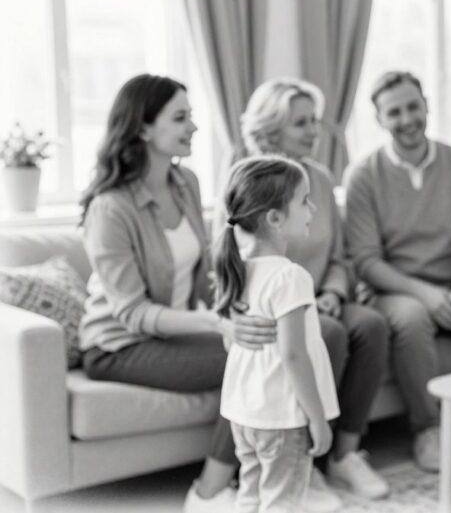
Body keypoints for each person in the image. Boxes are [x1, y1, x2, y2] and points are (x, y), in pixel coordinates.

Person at [76, 74, 275, 513]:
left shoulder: (187, 183)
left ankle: (274, 476)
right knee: (248, 359)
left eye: (192, 116)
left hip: (175, 331)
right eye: (181, 118)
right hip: (119, 346)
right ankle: (207, 493)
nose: (194, 127)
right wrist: (217, 323)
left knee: (269, 339)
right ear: (143, 128)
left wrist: (244, 308)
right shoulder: (110, 208)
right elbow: (133, 313)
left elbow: (205, 271)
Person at [344, 71, 451, 471]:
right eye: (394, 112)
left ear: (427, 106)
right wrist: (425, 294)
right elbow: (366, 261)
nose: (407, 119)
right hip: (391, 291)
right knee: (412, 316)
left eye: (413, 107)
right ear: (379, 119)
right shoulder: (363, 175)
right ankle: (427, 429)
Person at [236, 78, 391, 500]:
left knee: (371, 325)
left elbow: (340, 256)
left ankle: (345, 454)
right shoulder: (249, 180)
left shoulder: (320, 178)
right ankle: (305, 460)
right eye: (300, 122)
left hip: (322, 296)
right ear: (271, 130)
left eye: (314, 120)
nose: (313, 131)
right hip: (276, 307)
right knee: (329, 333)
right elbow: (232, 260)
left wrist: (334, 293)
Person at [214, 155, 339, 512]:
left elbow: (234, 342)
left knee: (251, 497)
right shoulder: (290, 277)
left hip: (245, 415)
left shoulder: (238, 270)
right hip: (284, 418)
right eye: (304, 200)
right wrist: (318, 419)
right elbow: (294, 355)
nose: (313, 208)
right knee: (282, 503)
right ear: (275, 218)